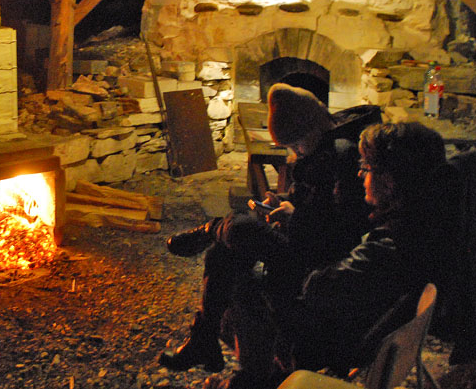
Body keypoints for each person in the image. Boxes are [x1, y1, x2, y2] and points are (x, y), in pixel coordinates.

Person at [204, 122, 458, 389]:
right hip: (348, 324)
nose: (360, 175)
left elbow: (320, 289)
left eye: (367, 168)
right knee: (238, 247)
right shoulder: (423, 221)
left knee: (240, 275)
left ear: (391, 180)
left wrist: (289, 257)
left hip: (329, 337)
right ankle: (236, 364)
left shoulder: (394, 245)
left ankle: (256, 377)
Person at [158, 83, 381, 375]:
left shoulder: (342, 156)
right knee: (222, 254)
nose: (295, 152)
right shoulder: (320, 150)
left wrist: (294, 215)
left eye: (297, 144)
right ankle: (205, 340)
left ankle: (210, 230)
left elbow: (342, 229)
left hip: (317, 261)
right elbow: (317, 204)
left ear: (313, 128)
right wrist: (285, 203)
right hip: (303, 241)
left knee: (239, 231)